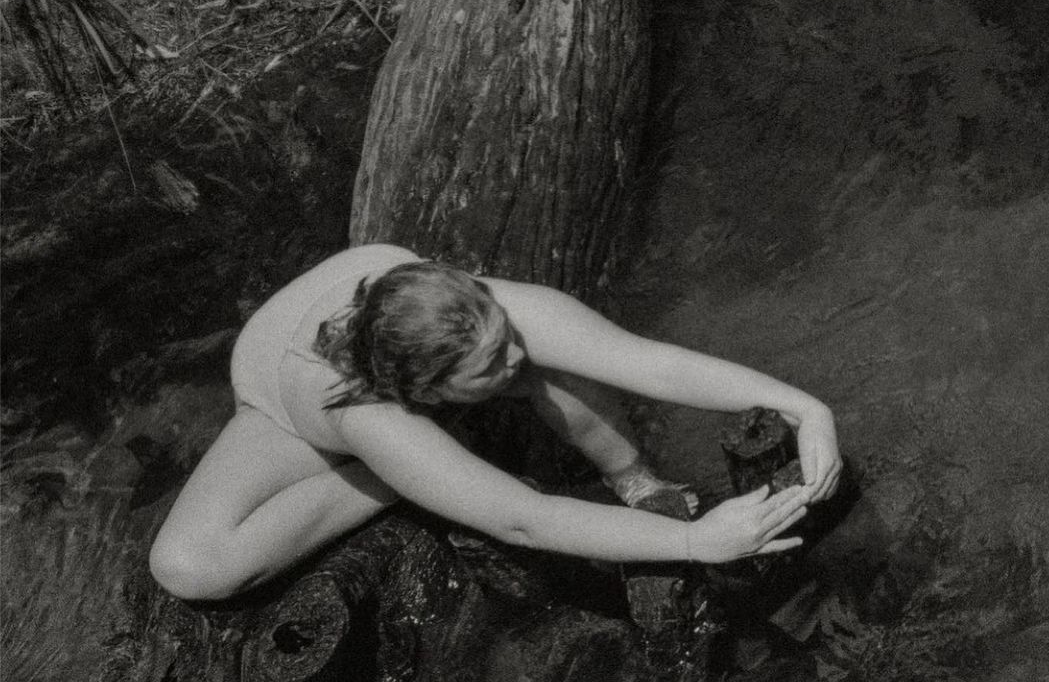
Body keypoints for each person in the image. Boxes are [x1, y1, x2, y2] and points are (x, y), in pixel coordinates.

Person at [150, 244, 842, 601]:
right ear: (426, 392)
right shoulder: (369, 416)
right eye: (491, 363)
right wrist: (694, 542)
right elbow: (523, 520)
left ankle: (631, 475)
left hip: (393, 309)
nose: (515, 352)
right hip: (284, 402)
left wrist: (803, 407)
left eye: (504, 334)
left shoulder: (499, 313)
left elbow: (650, 364)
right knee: (190, 568)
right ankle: (416, 474)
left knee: (562, 362)